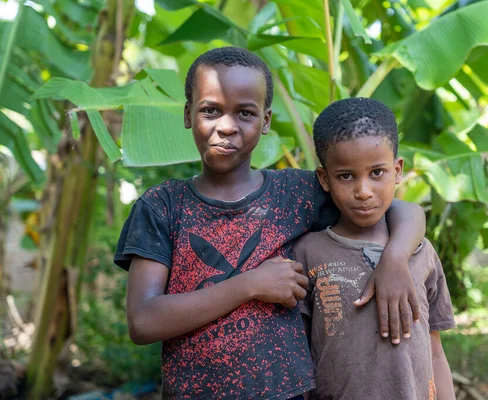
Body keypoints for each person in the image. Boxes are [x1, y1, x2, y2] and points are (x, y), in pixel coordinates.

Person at [114, 47, 425, 399]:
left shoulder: (296, 193)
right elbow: (143, 320)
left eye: (245, 113)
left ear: (265, 121)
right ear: (188, 114)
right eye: (210, 110)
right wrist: (250, 285)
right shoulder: (162, 206)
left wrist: (395, 259)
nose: (226, 126)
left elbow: (402, 210)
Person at [294, 97, 456, 400]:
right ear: (324, 179)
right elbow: (298, 358)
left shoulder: (422, 253)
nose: (363, 191)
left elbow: (435, 352)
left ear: (397, 170)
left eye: (377, 173)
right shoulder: (308, 253)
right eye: (346, 176)